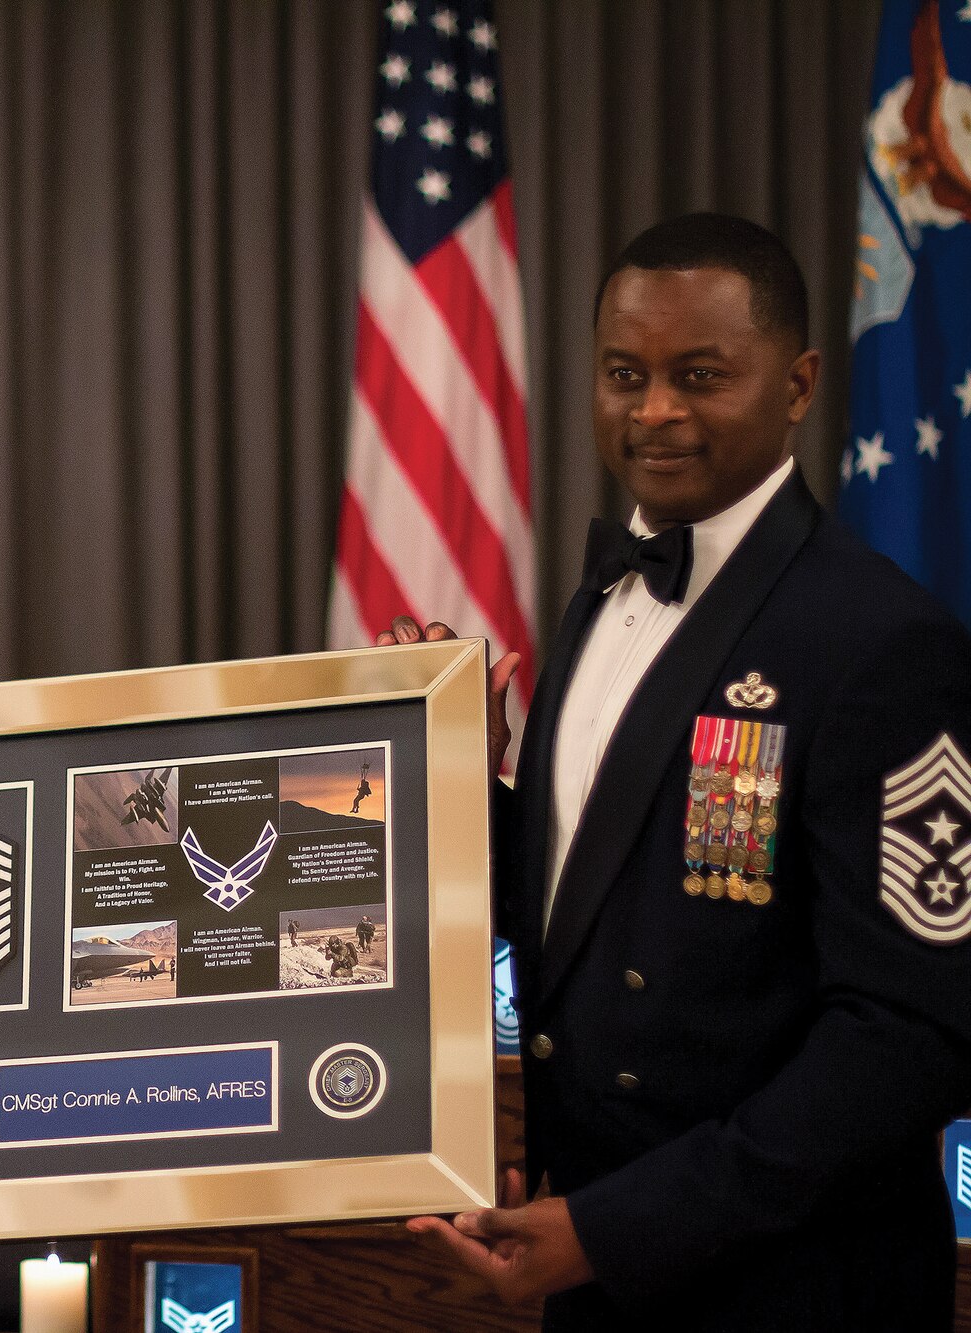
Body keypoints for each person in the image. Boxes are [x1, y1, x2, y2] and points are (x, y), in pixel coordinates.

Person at [391, 213, 971, 1330]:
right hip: (602, 1271)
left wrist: (619, 1227)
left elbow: (914, 1034)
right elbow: (595, 912)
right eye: (624, 374)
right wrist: (458, 787)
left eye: (698, 375)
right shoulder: (601, 597)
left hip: (794, 1286)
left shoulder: (880, 643)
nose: (652, 410)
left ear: (797, 384)